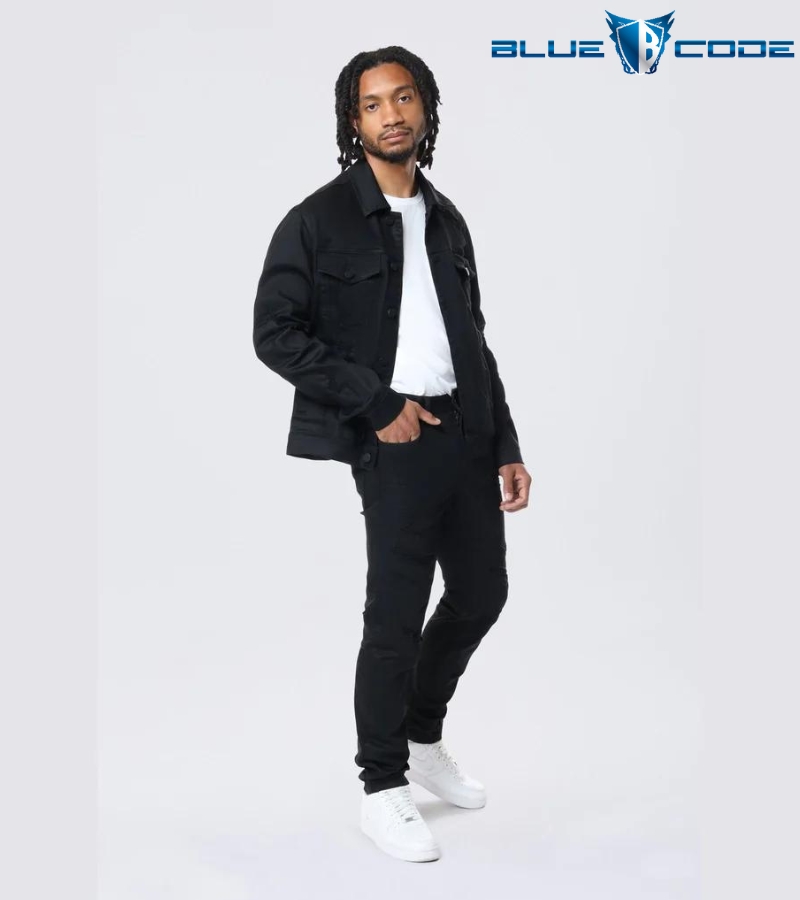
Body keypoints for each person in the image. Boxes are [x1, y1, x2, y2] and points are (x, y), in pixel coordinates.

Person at [252, 45, 532, 862]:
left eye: (403, 98)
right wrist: (375, 405)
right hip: (395, 442)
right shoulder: (318, 219)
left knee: (482, 593)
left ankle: (421, 737)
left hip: (467, 433)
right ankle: (382, 787)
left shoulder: (446, 218)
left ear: (426, 108)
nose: (391, 115)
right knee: (395, 617)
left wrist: (506, 442)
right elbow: (274, 332)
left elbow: (473, 339)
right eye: (373, 104)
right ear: (354, 121)